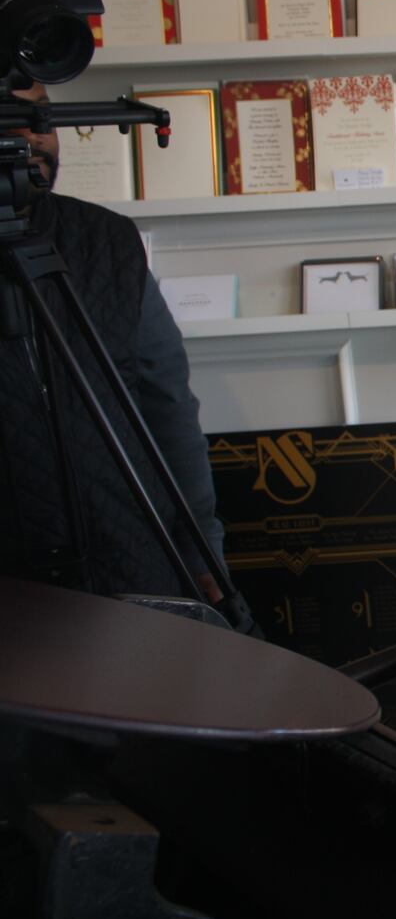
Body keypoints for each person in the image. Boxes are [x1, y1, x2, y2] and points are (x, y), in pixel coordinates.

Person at [0, 79, 237, 613]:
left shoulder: (107, 241)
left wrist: (202, 546)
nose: (32, 137)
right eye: (8, 118)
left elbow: (167, 406)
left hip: (129, 554)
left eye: (40, 117)